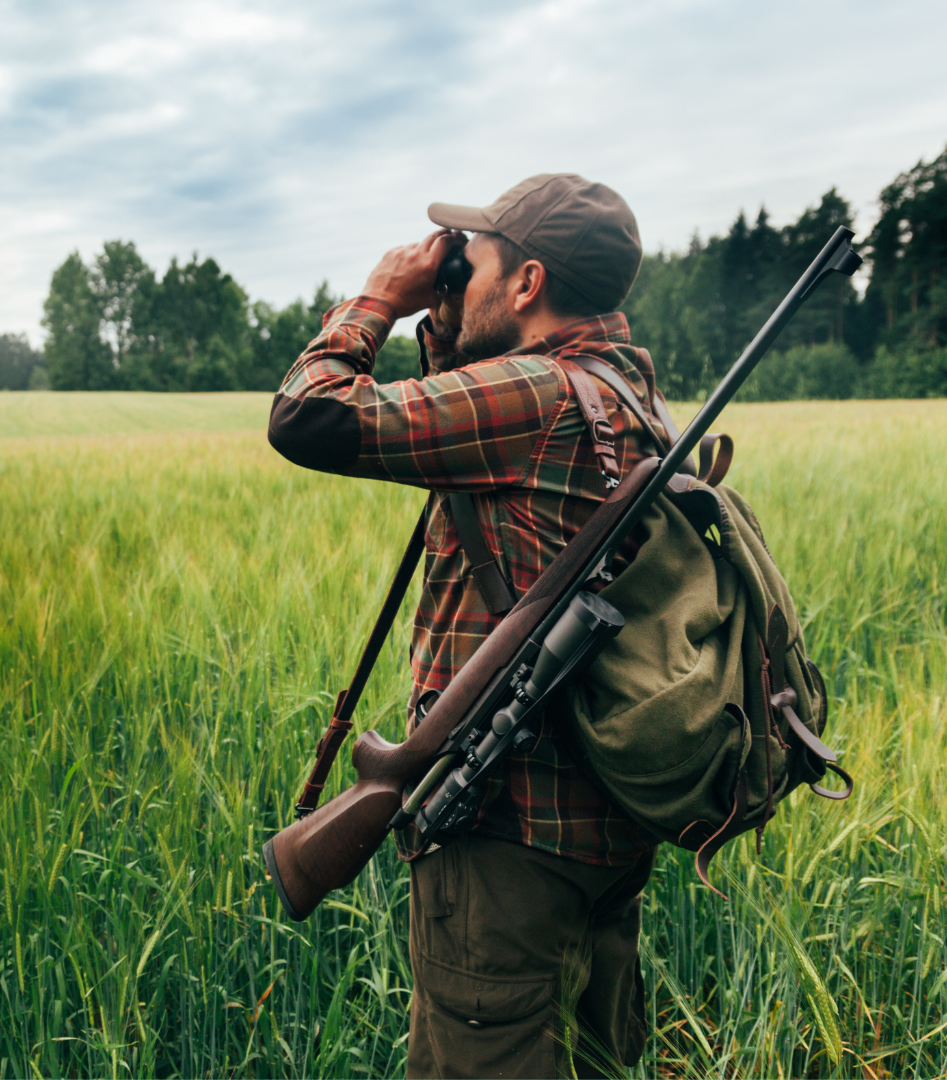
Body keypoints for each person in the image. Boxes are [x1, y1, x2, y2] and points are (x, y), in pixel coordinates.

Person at [266, 174, 667, 1079]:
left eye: (471, 259)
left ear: (526, 285)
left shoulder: (532, 396)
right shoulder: (630, 395)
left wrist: (377, 300)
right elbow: (470, 455)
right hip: (605, 827)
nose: (452, 271)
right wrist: (449, 328)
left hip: (502, 841)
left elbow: (307, 413)